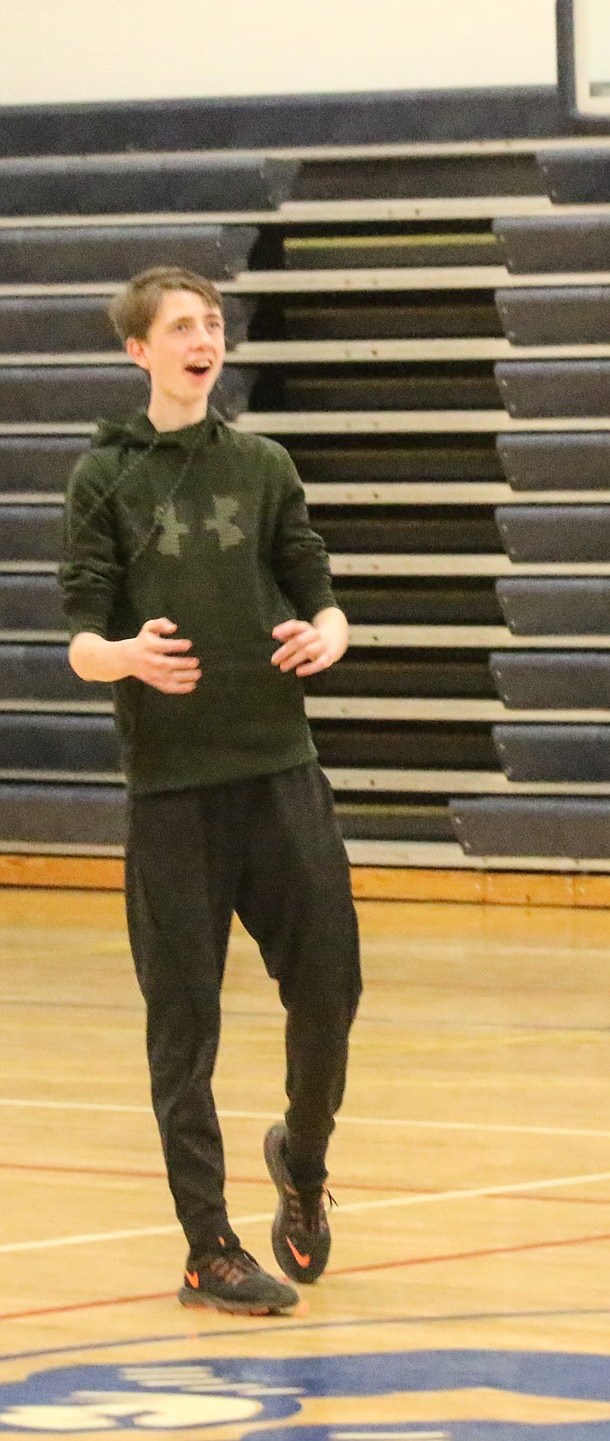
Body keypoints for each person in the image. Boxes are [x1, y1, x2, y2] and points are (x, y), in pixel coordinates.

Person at [59, 266, 362, 1316]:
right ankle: (208, 1247)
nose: (205, 338)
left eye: (214, 323)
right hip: (174, 793)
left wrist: (325, 634)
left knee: (331, 988)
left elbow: (321, 592)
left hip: (281, 772)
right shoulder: (104, 475)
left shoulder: (263, 464)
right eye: (183, 325)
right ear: (138, 350)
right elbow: (81, 641)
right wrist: (126, 657)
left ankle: (305, 1161)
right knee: (181, 1025)